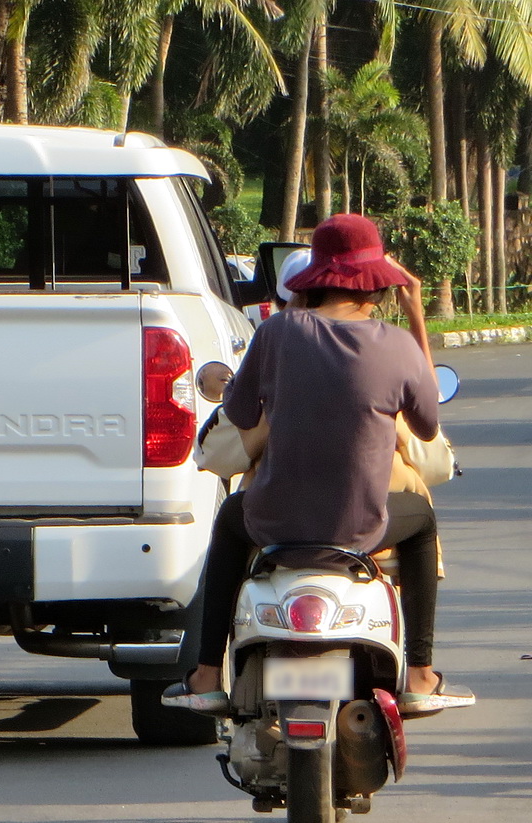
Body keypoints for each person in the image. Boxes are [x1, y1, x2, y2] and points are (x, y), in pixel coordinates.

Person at [163, 213, 475, 717]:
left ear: (317, 280)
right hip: (362, 531)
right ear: (376, 282)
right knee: (422, 521)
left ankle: (203, 673)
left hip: (273, 524)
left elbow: (240, 415)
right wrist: (415, 318)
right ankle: (419, 672)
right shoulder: (395, 345)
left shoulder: (278, 331)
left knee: (227, 519)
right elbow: (425, 425)